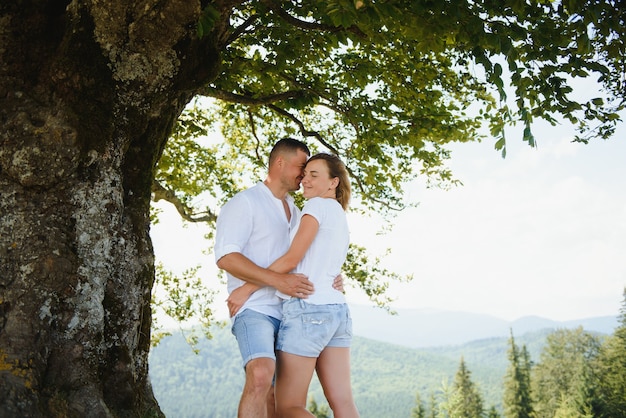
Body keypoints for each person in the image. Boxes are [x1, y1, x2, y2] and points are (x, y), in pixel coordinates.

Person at [214, 138, 342, 418]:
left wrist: (333, 277)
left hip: (294, 312)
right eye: (301, 167)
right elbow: (226, 257)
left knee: (279, 398)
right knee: (260, 374)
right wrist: (268, 283)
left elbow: (308, 256)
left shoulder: (298, 212)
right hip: (255, 309)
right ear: (280, 163)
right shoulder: (244, 203)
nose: (303, 175)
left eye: (310, 171)